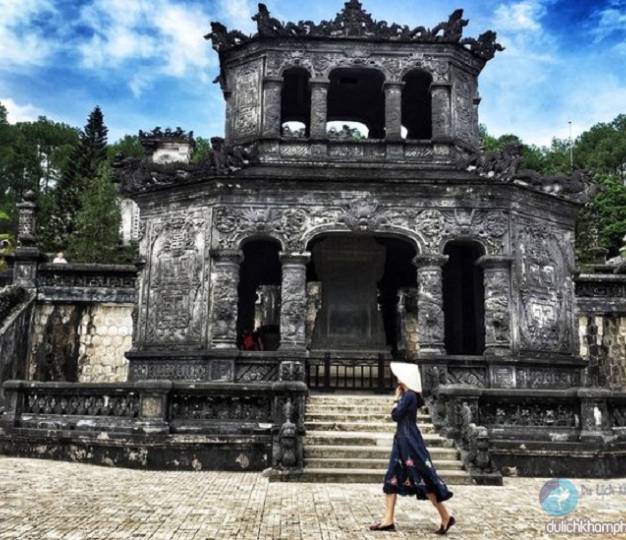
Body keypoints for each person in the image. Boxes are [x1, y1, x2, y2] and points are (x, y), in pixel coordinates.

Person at [369, 362, 455, 534]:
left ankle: (445, 516)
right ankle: (388, 520)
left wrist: (395, 400)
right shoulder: (410, 395)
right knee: (392, 477)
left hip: (408, 442)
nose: (397, 378)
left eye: (400, 376)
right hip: (403, 439)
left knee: (422, 477)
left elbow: (396, 415)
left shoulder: (409, 396)